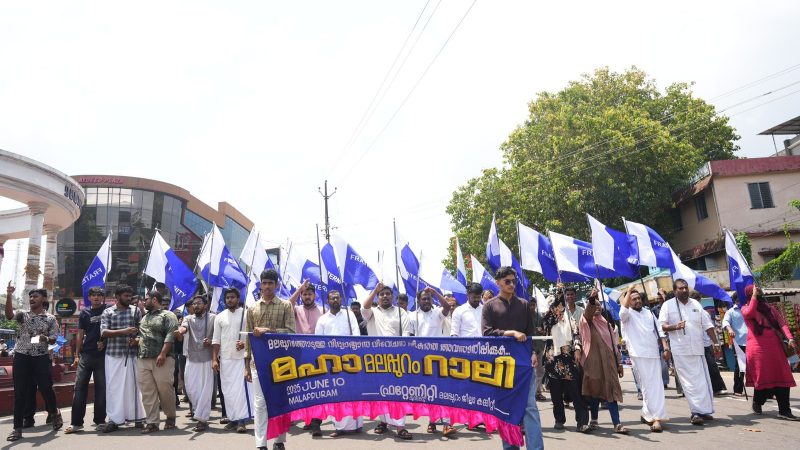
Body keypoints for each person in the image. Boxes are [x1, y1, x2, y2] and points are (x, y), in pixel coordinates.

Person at [482, 267, 544, 450]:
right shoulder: (489, 306)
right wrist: (510, 333)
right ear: (498, 283)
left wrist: (534, 353)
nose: (511, 284)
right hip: (501, 365)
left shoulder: (524, 305)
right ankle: (510, 446)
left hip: (524, 363)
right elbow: (486, 333)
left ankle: (536, 447)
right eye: (507, 281)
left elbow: (531, 333)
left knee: (530, 407)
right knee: (506, 409)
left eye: (514, 281)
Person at [245, 269, 295, 450]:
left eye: (270, 283)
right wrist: (246, 365)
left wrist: (270, 331)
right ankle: (261, 444)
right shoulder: (252, 308)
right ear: (260, 285)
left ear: (276, 285)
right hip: (257, 363)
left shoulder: (286, 306)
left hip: (281, 363)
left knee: (280, 401)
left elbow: (291, 333)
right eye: (264, 283)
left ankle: (279, 441)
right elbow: (249, 339)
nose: (267, 286)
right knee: (259, 403)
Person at [659, 278, 720, 425]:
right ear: (675, 291)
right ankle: (695, 412)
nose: (684, 290)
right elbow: (662, 327)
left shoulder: (696, 304)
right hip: (681, 351)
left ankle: (704, 411)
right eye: (680, 288)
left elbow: (708, 325)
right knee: (689, 383)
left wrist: (716, 342)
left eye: (686, 287)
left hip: (698, 349)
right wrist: (676, 326)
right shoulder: (668, 305)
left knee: (702, 382)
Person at [5, 284, 62, 442]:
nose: (32, 298)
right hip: (21, 355)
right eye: (30, 296)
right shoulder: (22, 314)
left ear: (43, 299)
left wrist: (45, 338)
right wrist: (9, 295)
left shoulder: (50, 319)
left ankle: (54, 413)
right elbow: (9, 315)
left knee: (46, 388)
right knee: (20, 392)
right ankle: (17, 429)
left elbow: (54, 339)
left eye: (35, 296)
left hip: (40, 357)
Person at [362, 282, 412, 439]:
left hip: (396, 358)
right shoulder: (372, 312)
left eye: (387, 294)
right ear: (378, 297)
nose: (385, 296)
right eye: (381, 294)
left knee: (397, 392)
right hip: (376, 359)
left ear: (393, 297)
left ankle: (400, 426)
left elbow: (406, 333)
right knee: (380, 391)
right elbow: (364, 307)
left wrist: (400, 350)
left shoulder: (400, 312)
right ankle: (383, 421)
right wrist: (375, 290)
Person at [742, 285, 798, 420]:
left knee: (782, 376)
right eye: (755, 291)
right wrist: (754, 296)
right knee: (764, 378)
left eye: (759, 290)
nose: (759, 292)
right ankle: (758, 401)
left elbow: (782, 323)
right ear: (750, 294)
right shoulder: (745, 308)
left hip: (775, 347)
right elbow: (750, 313)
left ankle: (784, 410)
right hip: (758, 349)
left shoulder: (770, 308)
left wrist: (790, 338)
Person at [619, 286, 667, 432]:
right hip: (638, 355)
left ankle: (649, 414)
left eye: (638, 298)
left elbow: (659, 331)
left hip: (653, 353)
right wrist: (628, 291)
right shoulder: (627, 315)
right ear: (629, 301)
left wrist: (666, 348)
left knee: (656, 385)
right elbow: (622, 312)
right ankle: (655, 418)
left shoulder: (649, 313)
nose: (637, 301)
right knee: (646, 385)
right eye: (633, 299)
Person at [315, 290, 362, 437]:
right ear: (327, 301)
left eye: (337, 298)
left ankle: (356, 425)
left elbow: (356, 335)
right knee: (337, 394)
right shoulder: (322, 319)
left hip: (349, 360)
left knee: (351, 392)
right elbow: (318, 342)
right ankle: (339, 427)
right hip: (331, 363)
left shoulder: (349, 315)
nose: (335, 300)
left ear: (341, 299)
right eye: (332, 298)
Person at [579, 288, 627, 434]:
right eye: (595, 305)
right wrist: (592, 299)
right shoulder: (585, 321)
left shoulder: (606, 324)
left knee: (611, 391)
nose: (597, 307)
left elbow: (614, 345)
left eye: (599, 305)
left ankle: (617, 423)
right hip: (593, 364)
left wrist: (619, 363)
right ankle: (594, 419)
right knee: (595, 392)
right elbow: (588, 313)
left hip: (609, 363)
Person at [542, 286, 588, 433]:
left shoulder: (570, 317)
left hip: (568, 358)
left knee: (575, 392)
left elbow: (576, 334)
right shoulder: (549, 318)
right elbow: (544, 325)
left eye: (561, 305)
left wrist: (578, 349)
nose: (559, 307)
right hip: (553, 359)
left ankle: (582, 422)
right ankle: (559, 420)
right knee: (556, 394)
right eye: (558, 304)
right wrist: (557, 293)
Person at [409, 287, 455, 437]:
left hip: (438, 359)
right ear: (418, 300)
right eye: (424, 299)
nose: (427, 301)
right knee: (429, 392)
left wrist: (435, 293)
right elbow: (409, 337)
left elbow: (447, 307)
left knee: (443, 391)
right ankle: (432, 422)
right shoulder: (412, 316)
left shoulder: (437, 313)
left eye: (429, 298)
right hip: (420, 361)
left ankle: (447, 424)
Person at [101, 285, 146, 433]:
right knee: (113, 388)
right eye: (126, 296)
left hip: (131, 354)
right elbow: (104, 332)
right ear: (117, 296)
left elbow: (142, 331)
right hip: (113, 355)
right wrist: (124, 331)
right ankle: (114, 420)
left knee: (134, 387)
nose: (129, 298)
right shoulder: (108, 312)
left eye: (130, 296)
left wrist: (136, 340)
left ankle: (138, 417)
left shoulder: (136, 311)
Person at [65, 286, 108, 433]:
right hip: (86, 355)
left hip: (103, 355)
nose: (96, 297)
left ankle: (100, 421)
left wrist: (105, 342)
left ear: (103, 297)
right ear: (89, 298)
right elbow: (80, 333)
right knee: (79, 388)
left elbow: (113, 329)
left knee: (101, 389)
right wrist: (77, 355)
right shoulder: (84, 312)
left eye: (99, 295)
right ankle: (76, 423)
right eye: (93, 295)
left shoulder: (108, 310)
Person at [136, 290, 179, 433]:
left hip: (162, 359)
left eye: (146, 299)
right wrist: (135, 340)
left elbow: (171, 335)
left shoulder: (168, 315)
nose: (144, 301)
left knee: (165, 389)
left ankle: (170, 417)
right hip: (143, 358)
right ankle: (152, 422)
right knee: (147, 392)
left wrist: (163, 353)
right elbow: (144, 336)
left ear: (154, 299)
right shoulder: (144, 317)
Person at [212, 288, 253, 433]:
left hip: (241, 358)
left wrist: (244, 343)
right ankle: (233, 419)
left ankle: (242, 421)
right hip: (225, 359)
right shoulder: (219, 317)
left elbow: (251, 334)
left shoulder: (246, 314)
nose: (230, 300)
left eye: (233, 297)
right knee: (227, 391)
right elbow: (216, 340)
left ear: (238, 298)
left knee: (240, 391)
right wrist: (214, 359)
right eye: (228, 297)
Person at [176, 294, 216, 432]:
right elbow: (184, 327)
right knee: (191, 389)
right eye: (194, 303)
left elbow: (218, 336)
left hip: (207, 358)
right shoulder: (188, 318)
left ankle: (202, 419)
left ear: (205, 305)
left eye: (199, 303)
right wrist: (180, 331)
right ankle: (197, 412)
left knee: (205, 390)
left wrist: (211, 341)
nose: (196, 305)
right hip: (192, 358)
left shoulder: (213, 318)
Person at [722, 294, 748, 396]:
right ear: (735, 300)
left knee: (758, 365)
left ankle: (765, 391)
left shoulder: (749, 309)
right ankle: (738, 389)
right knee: (740, 366)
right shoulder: (731, 312)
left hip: (753, 342)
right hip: (739, 342)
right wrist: (729, 329)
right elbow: (725, 322)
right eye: (738, 299)